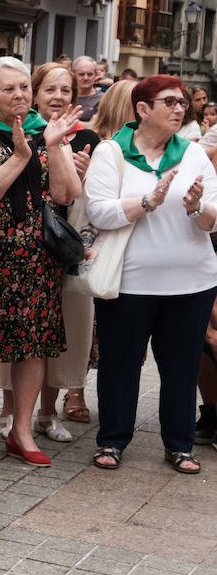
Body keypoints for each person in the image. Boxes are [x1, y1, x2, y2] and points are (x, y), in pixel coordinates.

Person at [0, 57, 81, 468]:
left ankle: (21, 430)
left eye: (25, 87)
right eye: (9, 89)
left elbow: (64, 194)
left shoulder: (48, 133)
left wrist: (56, 144)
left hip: (37, 256)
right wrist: (22, 155)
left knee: (34, 343)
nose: (21, 95)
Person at [86, 75, 217, 474]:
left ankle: (179, 445)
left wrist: (195, 207)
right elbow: (98, 212)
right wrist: (148, 201)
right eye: (169, 102)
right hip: (131, 282)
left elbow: (212, 219)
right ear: (142, 109)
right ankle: (112, 440)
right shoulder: (111, 152)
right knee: (120, 365)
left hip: (192, 283)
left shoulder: (192, 154)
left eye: (182, 103)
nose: (180, 109)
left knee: (180, 366)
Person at [0, 63, 103, 441]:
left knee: (59, 331)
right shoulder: (14, 131)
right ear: (35, 94)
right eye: (50, 90)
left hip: (60, 247)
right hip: (17, 246)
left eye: (66, 91)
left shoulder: (84, 136)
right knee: (17, 332)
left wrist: (85, 173)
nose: (58, 97)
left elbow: (71, 195)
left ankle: (47, 412)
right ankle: (10, 411)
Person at [73, 55, 102, 122]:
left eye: (90, 74)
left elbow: (97, 127)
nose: (86, 78)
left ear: (95, 75)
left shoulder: (103, 99)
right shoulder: (66, 96)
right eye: (81, 74)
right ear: (74, 75)